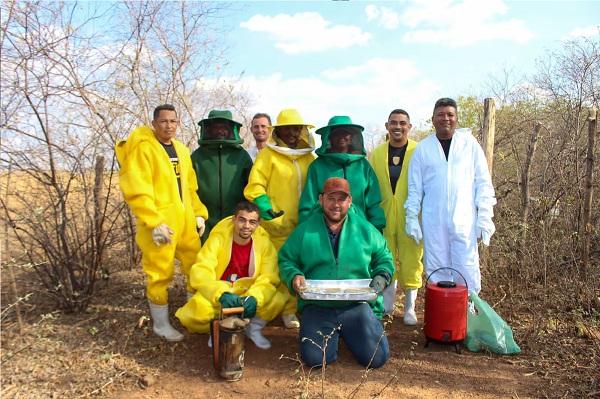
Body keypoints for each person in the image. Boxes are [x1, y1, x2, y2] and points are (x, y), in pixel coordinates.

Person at [115, 104, 208, 342]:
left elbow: (190, 187)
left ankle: (193, 315)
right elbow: (138, 188)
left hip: (185, 221)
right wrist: (153, 221)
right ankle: (161, 324)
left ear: (178, 124)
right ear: (154, 123)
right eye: (164, 121)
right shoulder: (144, 149)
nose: (169, 126)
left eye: (173, 121)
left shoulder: (182, 150)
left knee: (195, 266)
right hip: (159, 224)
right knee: (159, 273)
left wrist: (198, 213)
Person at [279, 177, 394, 368]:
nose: (336, 205)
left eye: (341, 199)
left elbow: (385, 257)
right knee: (316, 360)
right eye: (331, 198)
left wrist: (382, 275)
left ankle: (350, 331)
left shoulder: (365, 230)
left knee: (377, 358)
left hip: (356, 305)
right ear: (321, 199)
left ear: (350, 201)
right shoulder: (305, 231)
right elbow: (286, 259)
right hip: (317, 306)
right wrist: (294, 276)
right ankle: (333, 334)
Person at [404, 98, 496, 294]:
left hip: (464, 221)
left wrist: (484, 217)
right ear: (433, 119)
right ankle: (440, 316)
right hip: (434, 221)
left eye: (450, 114)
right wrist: (411, 217)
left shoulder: (469, 145)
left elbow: (483, 182)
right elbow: (414, 188)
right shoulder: (423, 149)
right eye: (441, 115)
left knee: (467, 268)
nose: (445, 118)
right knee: (437, 270)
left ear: (456, 118)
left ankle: (468, 314)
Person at [244, 108, 316, 329]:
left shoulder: (309, 158)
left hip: (303, 226)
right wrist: (265, 206)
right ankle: (265, 310)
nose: (293, 133)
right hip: (275, 227)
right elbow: (255, 186)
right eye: (288, 129)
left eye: (297, 128)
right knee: (272, 270)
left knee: (297, 268)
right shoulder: (268, 155)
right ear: (279, 131)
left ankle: (290, 310)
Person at [175, 201, 283, 349]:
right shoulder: (218, 239)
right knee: (195, 314)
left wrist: (254, 298)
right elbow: (201, 270)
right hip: (221, 293)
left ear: (258, 224)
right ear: (234, 219)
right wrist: (221, 294)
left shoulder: (264, 244)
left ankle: (253, 328)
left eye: (252, 222)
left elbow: (269, 277)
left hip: (247, 292)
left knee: (277, 299)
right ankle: (217, 329)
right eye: (242, 220)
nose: (246, 226)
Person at [369, 109, 424, 325]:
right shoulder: (378, 153)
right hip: (384, 215)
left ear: (409, 127)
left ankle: (410, 307)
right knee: (386, 258)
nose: (398, 127)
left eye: (402, 123)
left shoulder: (418, 151)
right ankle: (388, 304)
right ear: (387, 126)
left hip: (411, 215)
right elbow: (371, 185)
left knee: (412, 258)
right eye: (393, 123)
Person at [298, 116, 386, 232]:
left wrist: (377, 229)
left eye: (346, 133)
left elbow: (373, 202)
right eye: (336, 133)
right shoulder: (317, 167)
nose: (341, 137)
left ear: (352, 137)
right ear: (329, 137)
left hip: (359, 232)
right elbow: (307, 204)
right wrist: (306, 232)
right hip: (324, 231)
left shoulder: (363, 166)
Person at [191, 109, 253, 241]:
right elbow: (189, 188)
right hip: (204, 222)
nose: (220, 131)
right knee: (204, 259)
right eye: (216, 127)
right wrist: (197, 214)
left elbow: (251, 187)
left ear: (231, 129)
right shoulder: (197, 156)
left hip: (235, 221)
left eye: (224, 127)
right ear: (209, 129)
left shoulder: (242, 156)